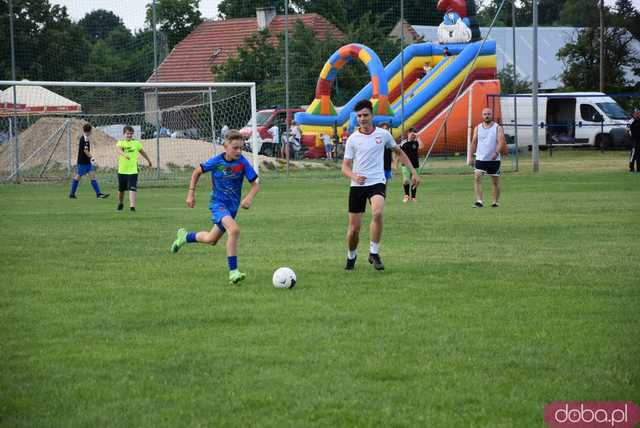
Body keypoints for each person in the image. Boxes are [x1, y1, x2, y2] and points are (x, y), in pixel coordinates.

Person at [170, 130, 260, 285]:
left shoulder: (242, 163)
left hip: (232, 208)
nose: (239, 151)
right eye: (235, 148)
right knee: (234, 230)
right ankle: (233, 272)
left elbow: (255, 184)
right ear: (225, 146)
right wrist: (191, 193)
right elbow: (197, 171)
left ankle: (184, 237)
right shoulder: (216, 161)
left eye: (241, 148)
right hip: (218, 204)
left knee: (211, 239)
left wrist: (248, 198)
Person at [342, 99, 420, 271]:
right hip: (357, 186)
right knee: (354, 229)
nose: (362, 118)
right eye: (359, 116)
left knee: (377, 212)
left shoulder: (383, 135)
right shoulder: (353, 139)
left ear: (372, 116)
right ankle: (351, 256)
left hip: (377, 181)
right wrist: (354, 176)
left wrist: (414, 172)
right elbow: (344, 167)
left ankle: (374, 253)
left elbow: (399, 152)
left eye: (365, 115)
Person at [468, 108, 506, 208]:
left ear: (492, 114)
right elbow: (473, 143)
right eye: (485, 114)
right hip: (480, 158)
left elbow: (501, 141)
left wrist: (496, 152)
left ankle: (495, 202)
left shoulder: (498, 127)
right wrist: (470, 156)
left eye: (488, 114)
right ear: (482, 115)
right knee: (477, 178)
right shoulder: (478, 128)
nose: (487, 115)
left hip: (494, 160)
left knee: (495, 181)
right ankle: (479, 201)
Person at [115, 125, 152, 212]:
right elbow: (118, 150)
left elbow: (143, 152)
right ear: (124, 134)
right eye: (128, 134)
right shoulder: (120, 142)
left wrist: (148, 160)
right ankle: (120, 203)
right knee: (121, 190)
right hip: (122, 170)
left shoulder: (136, 143)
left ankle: (132, 207)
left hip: (133, 170)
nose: (129, 135)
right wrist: (125, 155)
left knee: (132, 188)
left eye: (131, 134)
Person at [69, 123, 109, 199]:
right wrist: (92, 157)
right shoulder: (84, 139)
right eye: (91, 131)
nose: (91, 132)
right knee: (78, 177)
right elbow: (85, 150)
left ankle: (99, 194)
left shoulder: (85, 137)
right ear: (89, 131)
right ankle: (71, 194)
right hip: (82, 162)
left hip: (86, 162)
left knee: (92, 177)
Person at [400, 127, 421, 202]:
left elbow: (421, 146)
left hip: (415, 165)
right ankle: (406, 195)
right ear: (408, 134)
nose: (413, 136)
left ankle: (413, 197)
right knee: (406, 180)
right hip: (405, 165)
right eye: (412, 134)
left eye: (414, 135)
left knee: (414, 181)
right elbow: (398, 152)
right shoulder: (403, 143)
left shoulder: (416, 142)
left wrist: (418, 138)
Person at [380, 122, 393, 187]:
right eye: (384, 129)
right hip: (379, 166)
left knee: (385, 184)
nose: (385, 130)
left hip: (387, 165)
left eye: (387, 128)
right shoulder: (377, 140)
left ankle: (383, 196)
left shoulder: (390, 140)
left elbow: (395, 151)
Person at [628, 109, 640, 173]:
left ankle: (638, 169)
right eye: (636, 113)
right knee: (633, 154)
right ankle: (631, 168)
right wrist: (631, 137)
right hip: (634, 140)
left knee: (639, 155)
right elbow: (628, 130)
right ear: (633, 114)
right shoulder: (631, 121)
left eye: (638, 113)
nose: (637, 114)